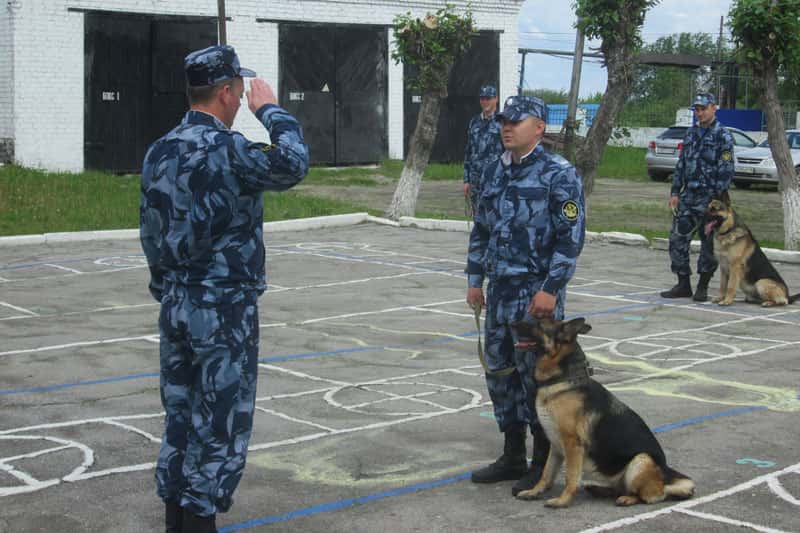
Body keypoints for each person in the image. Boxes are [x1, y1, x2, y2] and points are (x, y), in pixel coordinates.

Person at [140, 45, 309, 533]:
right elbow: (294, 163)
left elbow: (149, 229)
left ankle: (176, 519)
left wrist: (167, 285)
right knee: (219, 424)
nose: (240, 99)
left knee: (180, 415)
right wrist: (271, 110)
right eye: (238, 91)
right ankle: (198, 524)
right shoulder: (230, 149)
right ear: (225, 92)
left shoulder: (161, 148)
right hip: (223, 309)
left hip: (175, 303)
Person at [465, 95, 585, 497]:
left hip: (535, 296)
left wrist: (551, 289)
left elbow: (571, 239)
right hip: (499, 291)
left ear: (539, 127)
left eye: (516, 121)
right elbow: (482, 229)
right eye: (504, 121)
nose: (507, 127)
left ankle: (541, 462)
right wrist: (474, 279)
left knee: (536, 377)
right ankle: (512, 452)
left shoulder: (559, 174)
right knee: (500, 373)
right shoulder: (494, 171)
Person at [661, 92, 734, 302]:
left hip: (710, 200)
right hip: (689, 197)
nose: (699, 113)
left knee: (708, 243)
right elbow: (682, 164)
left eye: (703, 109)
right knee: (677, 239)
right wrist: (675, 192)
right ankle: (683, 283)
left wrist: (717, 200)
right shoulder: (691, 134)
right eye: (697, 110)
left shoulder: (723, 136)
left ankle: (702, 286)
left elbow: (727, 170)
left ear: (713, 108)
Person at [463, 84, 504, 213]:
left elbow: (509, 153)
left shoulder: (502, 123)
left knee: (494, 218)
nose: (485, 101)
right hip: (476, 182)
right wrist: (466, 180)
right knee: (478, 219)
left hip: (495, 180)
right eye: (482, 99)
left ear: (496, 99)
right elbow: (469, 152)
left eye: (488, 98)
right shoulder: (474, 122)